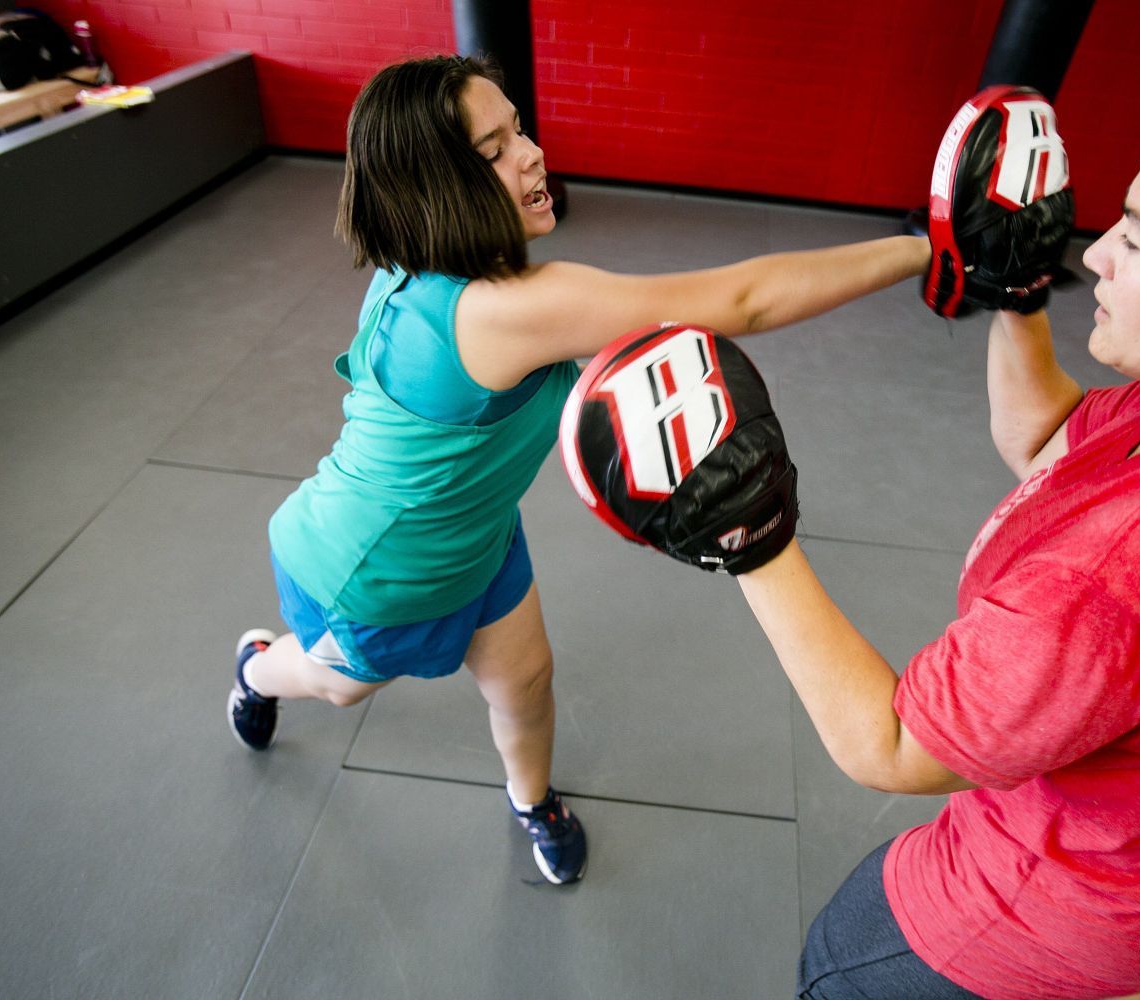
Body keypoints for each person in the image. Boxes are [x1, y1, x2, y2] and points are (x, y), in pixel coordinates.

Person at [625, 69, 1140, 995]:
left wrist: (749, 533)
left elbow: (889, 746)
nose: (1102, 252)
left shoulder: (1124, 576)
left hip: (1044, 910)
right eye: (1117, 217)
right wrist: (1018, 294)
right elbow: (1049, 443)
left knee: (840, 970)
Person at [225, 54, 931, 886]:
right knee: (338, 688)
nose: (530, 154)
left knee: (526, 681)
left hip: (480, 536)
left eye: (517, 128)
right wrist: (923, 250)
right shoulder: (503, 311)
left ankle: (532, 801)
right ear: (431, 188)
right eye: (492, 151)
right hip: (380, 569)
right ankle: (257, 667)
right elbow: (744, 302)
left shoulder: (435, 267)